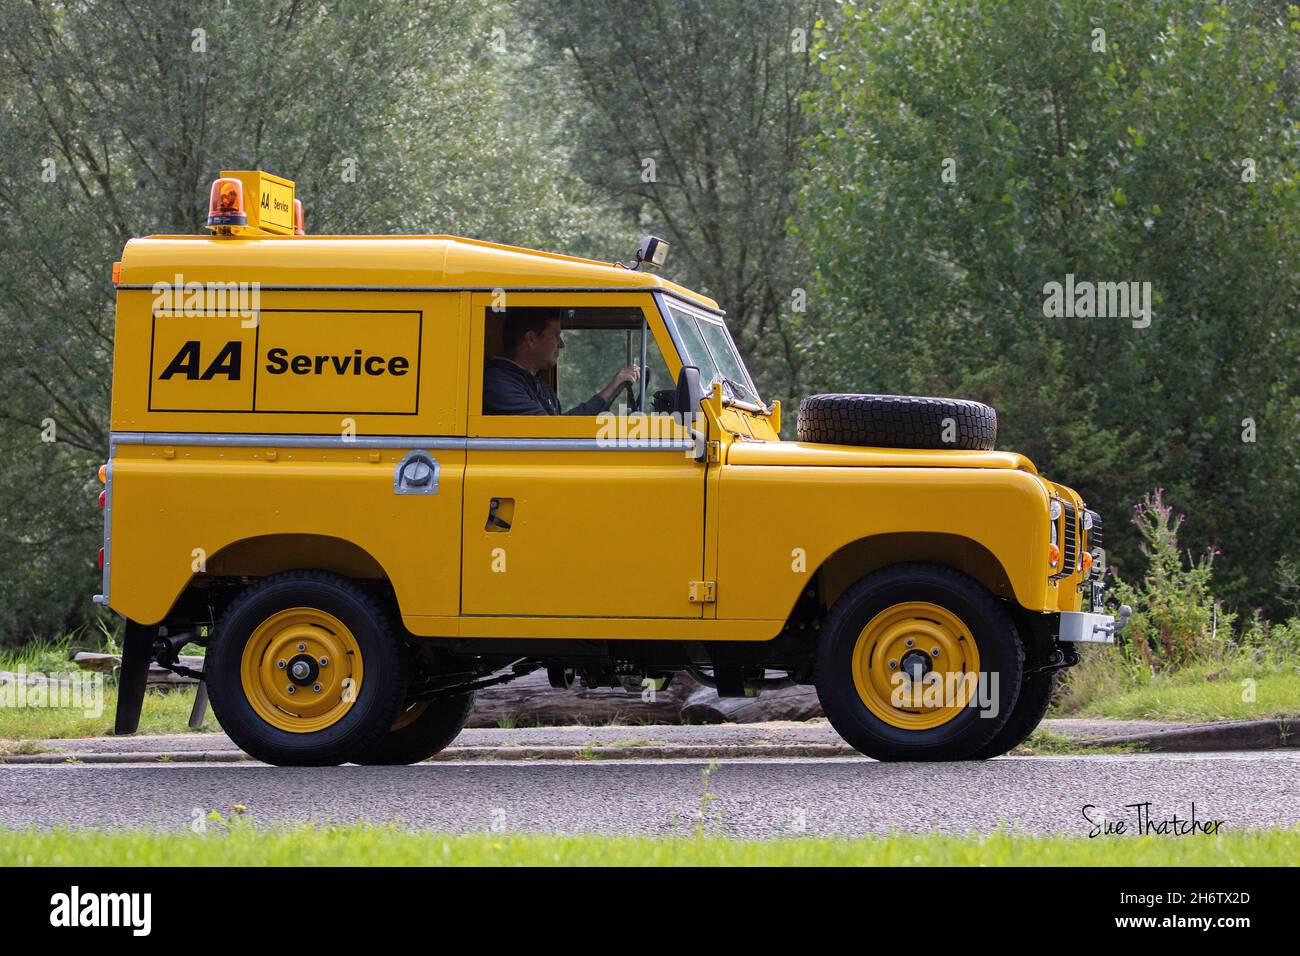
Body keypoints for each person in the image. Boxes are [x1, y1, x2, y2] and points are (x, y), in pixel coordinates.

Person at [484, 311, 639, 415]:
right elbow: (553, 432)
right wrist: (610, 389)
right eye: (556, 335)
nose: (562, 344)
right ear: (531, 339)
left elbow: (560, 427)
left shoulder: (538, 385)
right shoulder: (498, 383)